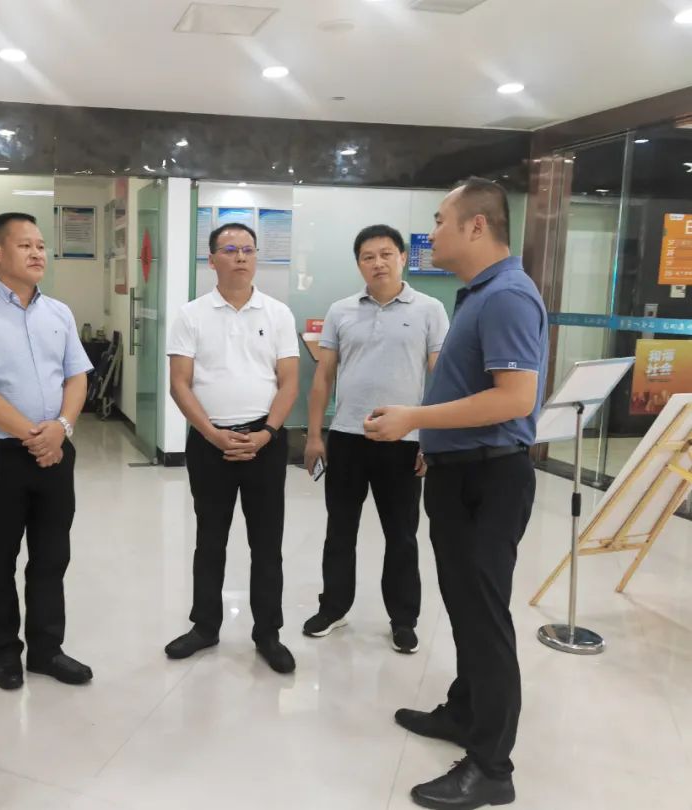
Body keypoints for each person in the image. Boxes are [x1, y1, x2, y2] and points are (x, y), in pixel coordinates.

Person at [364, 178, 548, 810]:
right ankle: (465, 711)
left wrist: (416, 420)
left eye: (441, 220)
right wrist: (433, 440)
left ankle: (492, 768)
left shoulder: (508, 296)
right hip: (458, 472)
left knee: (485, 618)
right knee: (465, 608)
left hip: (488, 479)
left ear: (476, 226)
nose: (431, 231)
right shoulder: (479, 294)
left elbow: (514, 399)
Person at [0, 212, 94, 691]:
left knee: (52, 557)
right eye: (25, 245)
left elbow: (77, 376)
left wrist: (62, 428)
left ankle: (47, 651)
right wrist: (37, 436)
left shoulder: (60, 313)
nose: (37, 253)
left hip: (56, 452)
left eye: (40, 245)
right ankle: (6, 652)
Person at [303, 225, 449, 654]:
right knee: (339, 530)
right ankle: (333, 607)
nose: (378, 263)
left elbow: (441, 378)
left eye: (386, 254)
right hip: (347, 436)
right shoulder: (341, 311)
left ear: (402, 257)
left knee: (402, 535)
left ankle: (403, 620)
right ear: (359, 264)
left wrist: (431, 438)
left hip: (404, 440)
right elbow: (323, 377)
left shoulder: (430, 309)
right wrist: (314, 435)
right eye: (368, 256)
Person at [164, 222, 300, 674]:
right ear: (211, 260)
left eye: (248, 249)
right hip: (211, 444)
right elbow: (180, 384)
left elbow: (289, 382)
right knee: (210, 540)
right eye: (230, 249)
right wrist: (212, 434)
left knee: (267, 543)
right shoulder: (191, 315)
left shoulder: (278, 314)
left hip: (265, 442)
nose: (240, 256)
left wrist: (267, 433)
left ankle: (268, 634)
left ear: (256, 257)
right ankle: (205, 626)